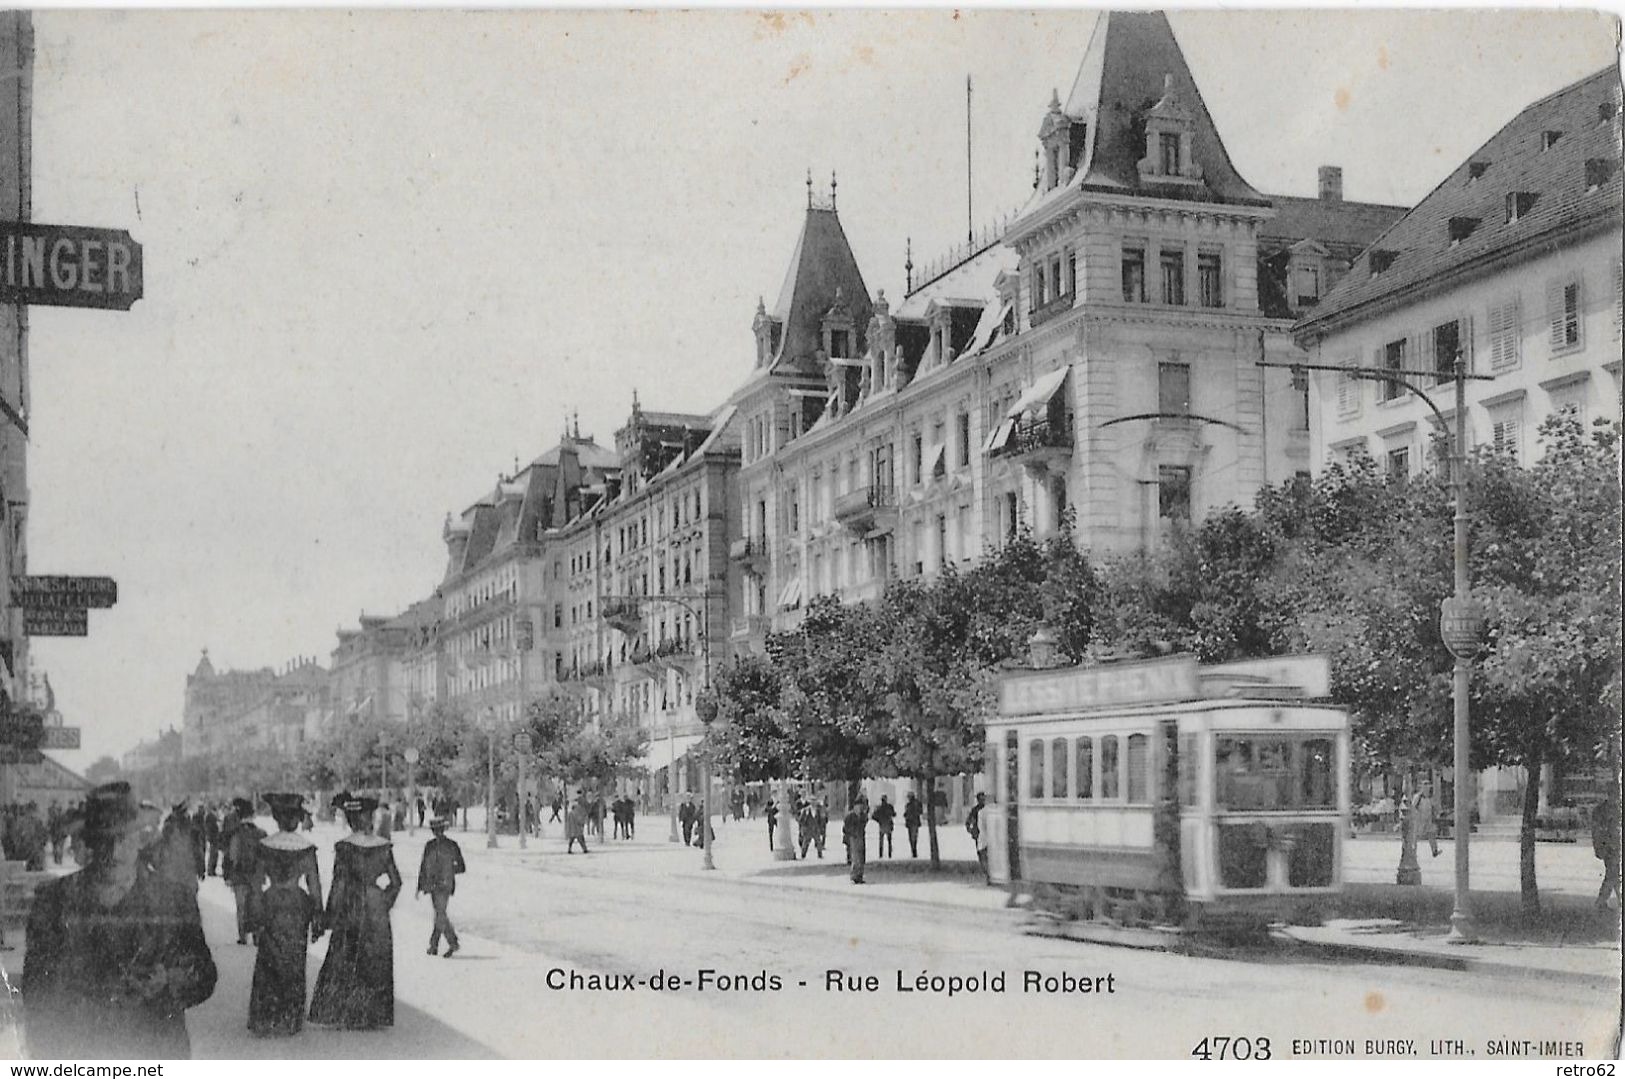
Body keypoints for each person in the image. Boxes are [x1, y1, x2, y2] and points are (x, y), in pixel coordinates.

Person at [21, 782, 217, 1058]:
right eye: (104, 840)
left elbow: (205, 974)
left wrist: (169, 981)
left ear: (140, 838)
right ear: (89, 842)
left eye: (123, 838)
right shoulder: (53, 901)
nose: (113, 853)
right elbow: (36, 991)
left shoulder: (175, 899)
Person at [309, 793, 401, 1030]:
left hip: (351, 905)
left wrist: (328, 917)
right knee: (375, 957)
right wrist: (383, 902)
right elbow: (396, 881)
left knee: (347, 954)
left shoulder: (344, 847)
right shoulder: (383, 846)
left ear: (351, 820)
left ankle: (347, 1011)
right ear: (369, 818)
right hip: (375, 905)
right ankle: (373, 1014)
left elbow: (338, 884)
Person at [248, 794, 323, 1037]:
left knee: (269, 958)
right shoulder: (307, 848)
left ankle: (266, 1015)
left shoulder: (265, 846)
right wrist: (317, 916)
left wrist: (255, 916)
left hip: (272, 902)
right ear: (297, 819)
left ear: (276, 818)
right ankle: (290, 1017)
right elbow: (314, 886)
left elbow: (256, 884)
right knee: (294, 959)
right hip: (296, 903)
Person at [416, 816, 466, 958]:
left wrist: (449, 870)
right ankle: (434, 945)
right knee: (440, 913)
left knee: (439, 913)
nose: (437, 832)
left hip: (442, 884)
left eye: (437, 829)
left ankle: (452, 942)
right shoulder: (433, 845)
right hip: (437, 884)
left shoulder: (448, 845)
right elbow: (423, 866)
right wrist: (420, 885)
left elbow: (461, 867)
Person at [226, 798, 266, 945]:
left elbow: (232, 855)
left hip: (240, 875)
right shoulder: (261, 834)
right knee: (256, 906)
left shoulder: (236, 834)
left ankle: (243, 936)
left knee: (241, 907)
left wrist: (229, 873)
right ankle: (257, 936)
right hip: (256, 875)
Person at [1593, 786, 1620, 911]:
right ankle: (1600, 902)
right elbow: (1597, 831)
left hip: (1614, 847)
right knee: (1613, 875)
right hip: (1609, 848)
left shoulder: (1611, 809)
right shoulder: (1602, 811)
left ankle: (1601, 902)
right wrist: (1599, 848)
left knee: (1614, 875)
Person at [843, 796, 870, 884]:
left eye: (861, 806)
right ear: (855, 806)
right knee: (855, 858)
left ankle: (860, 876)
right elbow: (845, 828)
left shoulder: (862, 816)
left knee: (861, 857)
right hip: (853, 838)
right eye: (859, 806)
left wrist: (865, 814)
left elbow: (864, 823)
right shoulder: (850, 815)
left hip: (860, 837)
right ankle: (854, 876)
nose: (860, 808)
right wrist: (851, 834)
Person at [1413, 784, 1440, 858]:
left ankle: (1434, 850)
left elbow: (1434, 808)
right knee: (1415, 836)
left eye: (1428, 788)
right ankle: (1413, 852)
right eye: (1426, 788)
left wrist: (1435, 815)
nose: (1427, 790)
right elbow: (1413, 807)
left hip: (1428, 820)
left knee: (1431, 835)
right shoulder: (1418, 797)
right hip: (1419, 820)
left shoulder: (1430, 798)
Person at [966, 793, 989, 881]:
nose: (982, 801)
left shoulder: (987, 809)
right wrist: (971, 830)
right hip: (978, 834)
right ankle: (984, 869)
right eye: (981, 799)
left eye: (983, 799)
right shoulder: (975, 810)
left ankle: (986, 871)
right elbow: (968, 821)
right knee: (980, 852)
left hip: (986, 834)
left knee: (985, 852)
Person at [872, 795, 896, 859]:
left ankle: (881, 854)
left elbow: (873, 816)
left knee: (881, 841)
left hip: (882, 825)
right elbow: (894, 814)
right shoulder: (889, 807)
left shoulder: (879, 808)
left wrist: (878, 820)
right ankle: (889, 854)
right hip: (888, 825)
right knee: (889, 840)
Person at [903, 792, 924, 859]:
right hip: (915, 822)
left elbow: (906, 813)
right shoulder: (917, 803)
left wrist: (906, 815)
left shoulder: (909, 805)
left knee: (911, 838)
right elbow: (921, 811)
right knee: (914, 837)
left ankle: (914, 851)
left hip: (911, 823)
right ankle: (914, 851)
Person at [204, 805, 222, 876]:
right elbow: (211, 828)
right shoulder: (211, 817)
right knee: (213, 854)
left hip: (213, 838)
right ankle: (211, 870)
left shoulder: (212, 817)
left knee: (214, 854)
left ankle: (211, 870)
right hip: (213, 838)